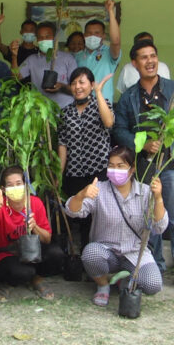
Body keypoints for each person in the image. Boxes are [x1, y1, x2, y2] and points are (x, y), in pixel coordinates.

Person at [113, 40, 174, 301]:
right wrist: (141, 143)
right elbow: (119, 130)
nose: (150, 61)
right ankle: (154, 270)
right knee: (149, 222)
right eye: (143, 57)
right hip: (145, 168)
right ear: (134, 64)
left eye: (153, 56)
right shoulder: (129, 97)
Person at [65, 146, 167, 307]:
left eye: (120, 166)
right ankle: (103, 284)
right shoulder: (99, 189)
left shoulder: (146, 192)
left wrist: (158, 197)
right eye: (111, 166)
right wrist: (81, 194)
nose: (115, 170)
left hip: (135, 253)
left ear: (132, 169)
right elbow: (72, 212)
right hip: (106, 252)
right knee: (90, 253)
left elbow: (160, 227)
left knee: (153, 284)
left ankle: (125, 279)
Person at [0, 166, 64, 302]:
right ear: (3, 189)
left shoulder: (35, 203)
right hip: (7, 256)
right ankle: (8, 282)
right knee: (21, 272)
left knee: (56, 253)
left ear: (26, 186)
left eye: (18, 184)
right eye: (10, 185)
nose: (15, 188)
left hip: (32, 253)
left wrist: (35, 227)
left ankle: (37, 278)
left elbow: (47, 239)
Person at [58, 67, 115, 248]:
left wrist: (98, 93)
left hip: (99, 172)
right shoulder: (65, 112)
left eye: (81, 82)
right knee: (80, 219)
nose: (77, 87)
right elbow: (62, 144)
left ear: (91, 85)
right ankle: (84, 255)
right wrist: (59, 174)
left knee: (99, 217)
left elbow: (109, 122)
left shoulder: (102, 104)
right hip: (75, 173)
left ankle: (99, 255)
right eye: (73, 83)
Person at [12, 21, 78, 108]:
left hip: (66, 109)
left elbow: (77, 88)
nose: (44, 40)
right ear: (37, 40)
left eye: (47, 37)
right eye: (40, 37)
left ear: (55, 38)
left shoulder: (68, 58)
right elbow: (15, 77)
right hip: (41, 110)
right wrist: (14, 56)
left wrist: (62, 87)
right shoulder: (32, 59)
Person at [73, 0, 121, 105]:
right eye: (89, 33)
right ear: (84, 35)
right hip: (81, 106)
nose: (92, 36)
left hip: (103, 106)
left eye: (97, 33)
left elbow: (116, 41)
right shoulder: (77, 56)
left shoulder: (109, 54)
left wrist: (110, 12)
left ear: (103, 36)